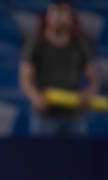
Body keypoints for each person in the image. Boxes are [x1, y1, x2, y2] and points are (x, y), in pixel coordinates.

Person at [19, 0, 101, 136]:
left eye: (63, 13)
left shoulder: (80, 43)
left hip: (73, 115)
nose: (58, 17)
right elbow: (25, 78)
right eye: (55, 12)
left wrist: (88, 93)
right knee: (43, 156)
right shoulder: (35, 43)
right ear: (47, 17)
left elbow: (95, 78)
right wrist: (35, 97)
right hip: (44, 115)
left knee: (76, 156)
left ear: (70, 18)